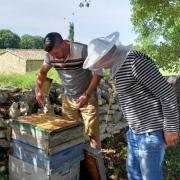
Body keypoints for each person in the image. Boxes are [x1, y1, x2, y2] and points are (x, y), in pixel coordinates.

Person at [83, 32, 180, 180]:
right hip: (135, 132)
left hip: (151, 133)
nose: (97, 65)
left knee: (150, 177)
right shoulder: (120, 66)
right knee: (134, 174)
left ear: (106, 55)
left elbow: (167, 94)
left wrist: (171, 128)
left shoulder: (135, 62)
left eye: (97, 60)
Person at [35, 32, 102, 149]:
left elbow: (98, 73)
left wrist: (86, 95)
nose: (54, 57)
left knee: (93, 134)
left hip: (88, 98)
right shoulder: (49, 55)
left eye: (56, 53)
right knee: (69, 133)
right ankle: (74, 163)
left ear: (64, 43)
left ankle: (97, 165)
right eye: (51, 54)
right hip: (68, 99)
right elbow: (42, 73)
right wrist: (38, 89)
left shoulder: (82, 50)